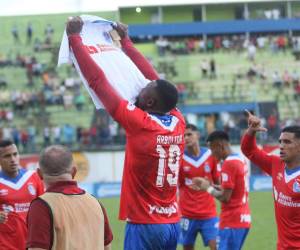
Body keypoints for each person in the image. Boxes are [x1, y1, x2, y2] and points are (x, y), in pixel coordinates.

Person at [66, 17, 185, 250]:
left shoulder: (139, 122)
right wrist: (126, 42)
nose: (141, 86)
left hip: (145, 224)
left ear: (150, 101)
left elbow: (98, 82)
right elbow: (154, 80)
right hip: (172, 222)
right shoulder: (178, 120)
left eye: (144, 89)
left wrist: (74, 39)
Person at [26, 145, 113, 250]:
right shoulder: (95, 203)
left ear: (39, 174)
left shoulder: (41, 206)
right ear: (74, 171)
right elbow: (107, 246)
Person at [241, 111, 300, 249]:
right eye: (280, 141)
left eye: (287, 142)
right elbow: (249, 150)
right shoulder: (276, 164)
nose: (281, 146)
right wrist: (251, 131)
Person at [191, 131, 251, 250]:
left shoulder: (229, 163)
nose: (212, 154)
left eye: (212, 149)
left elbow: (225, 198)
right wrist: (211, 185)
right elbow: (233, 189)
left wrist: (207, 188)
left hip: (231, 221)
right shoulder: (240, 158)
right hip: (243, 218)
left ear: (220, 146)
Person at [178, 124, 219, 250]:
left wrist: (207, 186)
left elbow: (217, 183)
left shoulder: (210, 156)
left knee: (216, 246)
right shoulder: (179, 158)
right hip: (187, 214)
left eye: (189, 134)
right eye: (184, 135)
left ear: (198, 135)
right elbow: (177, 185)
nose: (186, 138)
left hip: (209, 214)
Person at [0, 140, 44, 250]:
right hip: (6, 244)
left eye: (15, 154)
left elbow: (44, 208)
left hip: (33, 243)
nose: (13, 159)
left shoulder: (33, 177)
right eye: (7, 156)